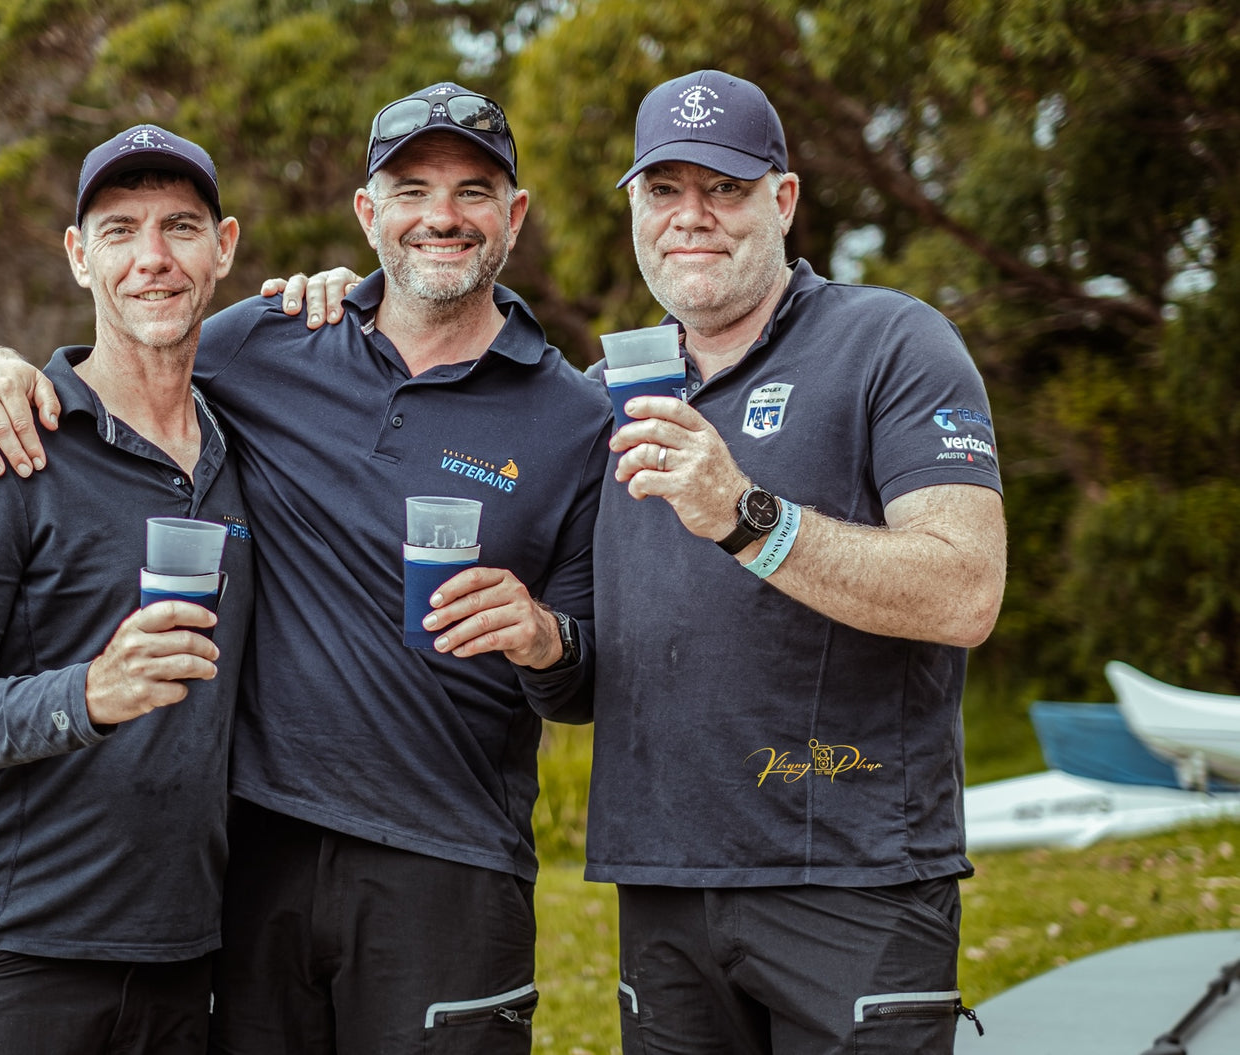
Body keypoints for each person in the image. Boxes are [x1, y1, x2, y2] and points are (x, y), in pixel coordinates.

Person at [274, 68, 1007, 1055]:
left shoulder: (891, 343)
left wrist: (745, 516)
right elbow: (584, 676)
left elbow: (965, 588)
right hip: (662, 887)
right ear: (634, 208)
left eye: (727, 188)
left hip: (853, 881)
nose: (690, 217)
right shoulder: (598, 396)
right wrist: (541, 640)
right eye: (665, 190)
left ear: (783, 200)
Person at [0, 84, 610, 1054]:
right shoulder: (262, 343)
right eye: (411, 187)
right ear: (367, 213)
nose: (441, 216)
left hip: (450, 869)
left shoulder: (574, 416)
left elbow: (581, 683)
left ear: (511, 216)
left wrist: (542, 635)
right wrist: (0, 368)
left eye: (473, 190)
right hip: (254, 857)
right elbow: (134, 346)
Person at [0, 124, 253, 1055]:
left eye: (180, 227)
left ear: (225, 249)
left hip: (179, 956)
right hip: (4, 958)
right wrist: (91, 692)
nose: (153, 259)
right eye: (120, 230)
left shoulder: (243, 448)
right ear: (78, 257)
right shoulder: (9, 446)